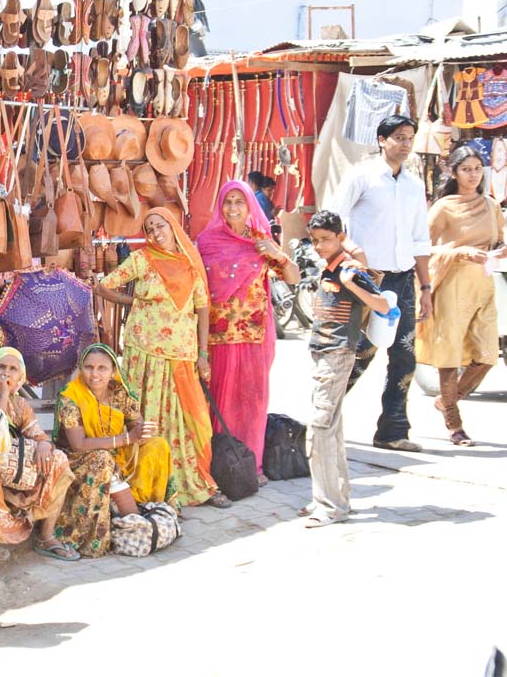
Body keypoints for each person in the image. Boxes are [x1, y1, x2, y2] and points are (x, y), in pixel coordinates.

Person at [94, 207, 229, 508]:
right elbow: (103, 287)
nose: (156, 233)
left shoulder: (191, 262)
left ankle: (188, 483)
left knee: (186, 421)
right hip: (144, 355)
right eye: (150, 229)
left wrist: (203, 354)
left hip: (180, 354)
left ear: (172, 226)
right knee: (146, 417)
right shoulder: (142, 259)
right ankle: (147, 486)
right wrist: (134, 301)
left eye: (160, 226)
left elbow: (202, 309)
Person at [332, 114, 433, 452]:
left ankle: (393, 431)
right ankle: (321, 422)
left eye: (409, 138)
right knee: (360, 354)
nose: (405, 144)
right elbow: (330, 222)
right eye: (399, 137)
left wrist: (426, 288)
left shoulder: (414, 185)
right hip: (366, 280)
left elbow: (420, 240)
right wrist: (353, 254)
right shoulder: (362, 176)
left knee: (404, 356)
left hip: (403, 280)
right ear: (381, 139)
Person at [197, 180, 300, 482]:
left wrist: (279, 255)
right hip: (217, 337)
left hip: (254, 336)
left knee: (252, 402)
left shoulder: (261, 241)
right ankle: (221, 465)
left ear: (250, 206)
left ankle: (251, 466)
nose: (232, 208)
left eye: (239, 202)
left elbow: (293, 278)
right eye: (227, 201)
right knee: (219, 402)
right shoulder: (206, 242)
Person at [303, 211, 391, 527]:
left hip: (337, 354)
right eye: (315, 240)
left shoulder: (350, 269)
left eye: (326, 239)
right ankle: (334, 499)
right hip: (323, 354)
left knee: (319, 429)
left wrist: (352, 284)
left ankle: (330, 507)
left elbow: (383, 305)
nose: (319, 246)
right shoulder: (327, 267)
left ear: (341, 238)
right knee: (332, 427)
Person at [415, 146, 504, 447]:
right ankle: (454, 424)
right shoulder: (444, 207)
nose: (473, 174)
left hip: (483, 284)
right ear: (453, 172)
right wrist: (458, 251)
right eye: (466, 169)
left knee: (488, 355)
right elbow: (422, 247)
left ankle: (446, 400)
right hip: (452, 283)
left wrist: (500, 250)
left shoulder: (491, 205)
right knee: (449, 354)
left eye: (477, 168)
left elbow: (499, 239)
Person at [53, 343, 171, 557]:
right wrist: (126, 438)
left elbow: (136, 426)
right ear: (81, 368)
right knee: (103, 458)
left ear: (113, 371)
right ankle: (128, 521)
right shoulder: (71, 396)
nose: (94, 374)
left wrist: (142, 431)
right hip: (79, 458)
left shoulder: (119, 392)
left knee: (158, 446)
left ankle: (146, 506)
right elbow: (78, 444)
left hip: (117, 452)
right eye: (89, 367)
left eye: (102, 368)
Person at [0, 346, 76, 561]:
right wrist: (3, 395)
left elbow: (38, 435)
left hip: (13, 468)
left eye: (13, 369)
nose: (6, 373)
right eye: (0, 367)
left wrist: (43, 444)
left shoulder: (20, 404)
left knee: (58, 460)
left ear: (20, 376)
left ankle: (46, 536)